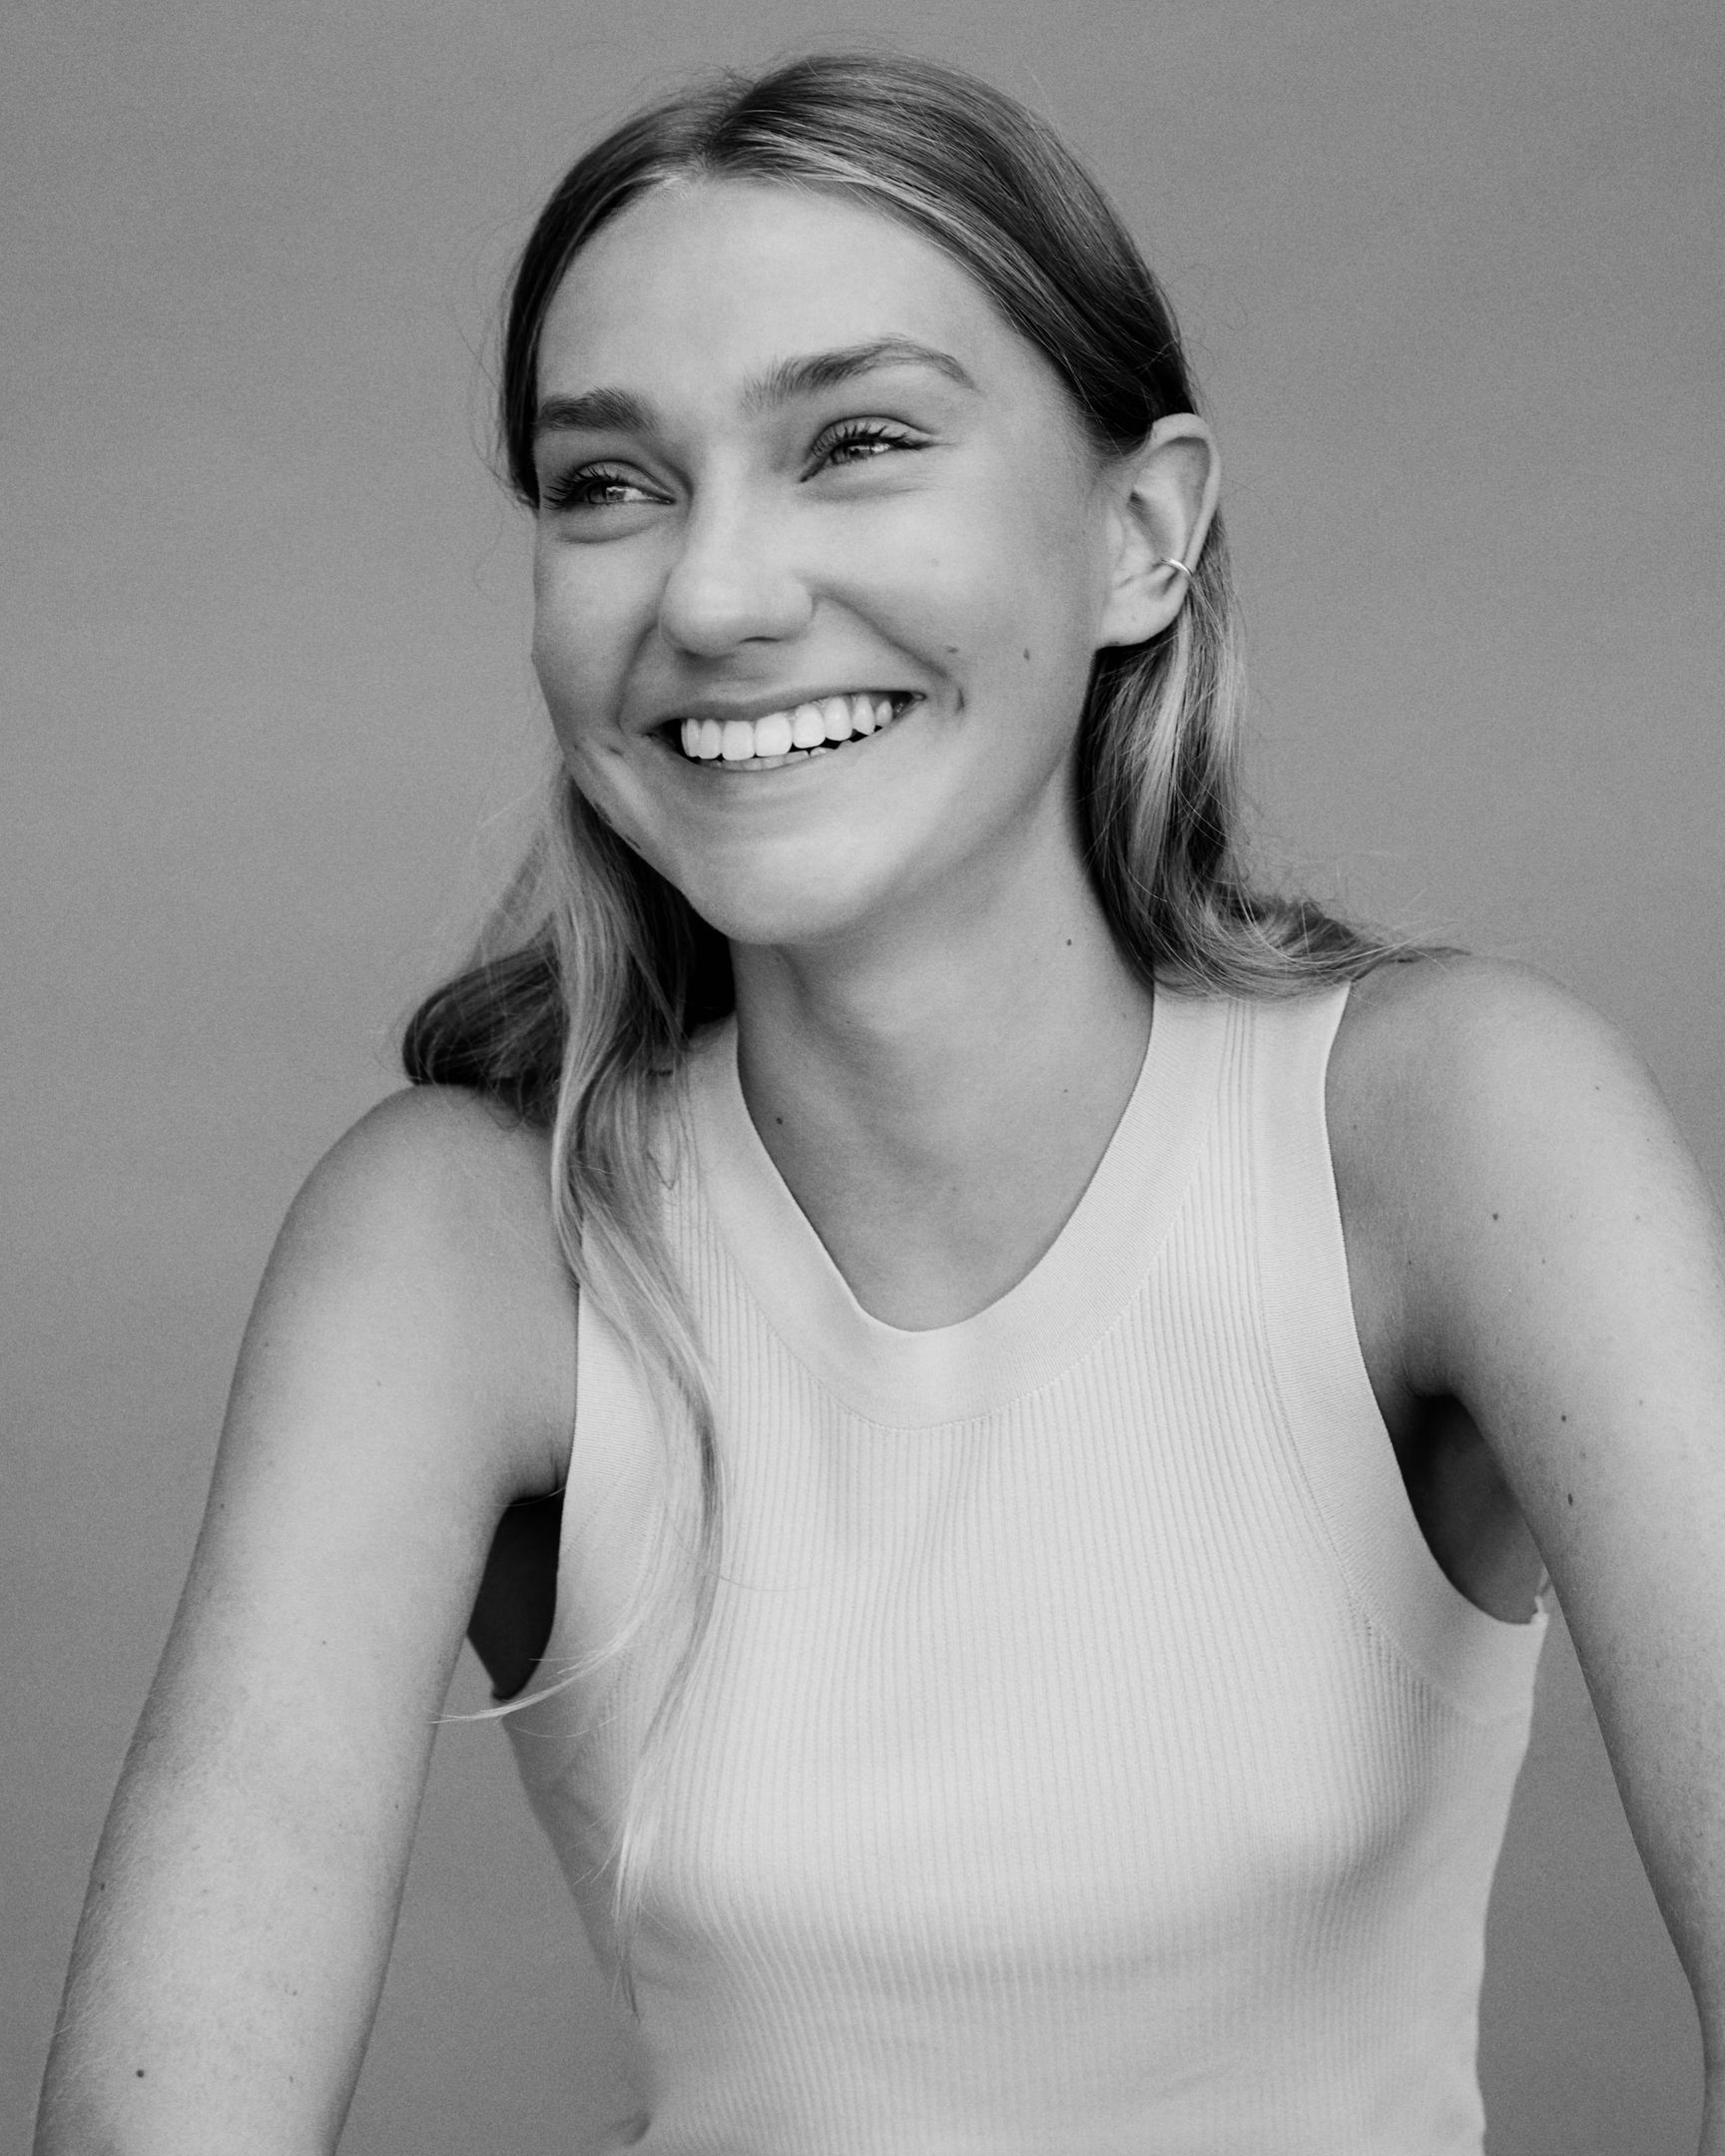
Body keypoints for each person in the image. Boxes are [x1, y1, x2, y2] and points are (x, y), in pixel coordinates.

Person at [36, 50, 1725, 2156]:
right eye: (607, 483)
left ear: (1140, 537)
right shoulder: (457, 1245)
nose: (713, 595)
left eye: (857, 442)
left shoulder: (1459, 1133)